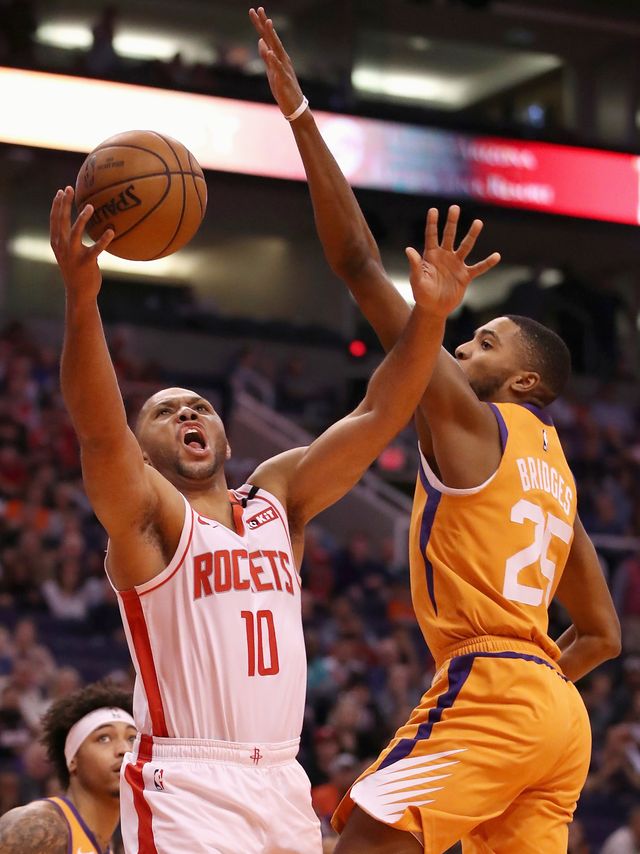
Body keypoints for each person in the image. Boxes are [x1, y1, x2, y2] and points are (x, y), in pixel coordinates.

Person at [250, 7, 622, 853]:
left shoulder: (469, 414)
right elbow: (602, 635)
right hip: (561, 719)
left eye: (482, 342)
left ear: (525, 381)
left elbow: (353, 262)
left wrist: (301, 119)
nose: (461, 344)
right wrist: (536, 697)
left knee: (359, 849)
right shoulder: (557, 479)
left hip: (492, 686)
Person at [48, 143, 490, 853]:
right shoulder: (152, 521)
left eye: (198, 405)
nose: (189, 414)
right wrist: (81, 297)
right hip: (189, 783)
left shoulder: (278, 497)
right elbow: (100, 435)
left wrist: (429, 317)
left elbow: (379, 414)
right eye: (165, 412)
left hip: (283, 778)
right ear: (147, 450)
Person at [0, 681, 135, 853]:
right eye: (104, 738)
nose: (124, 750)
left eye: (132, 738)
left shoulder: (111, 845)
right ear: (73, 760)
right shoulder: (39, 827)